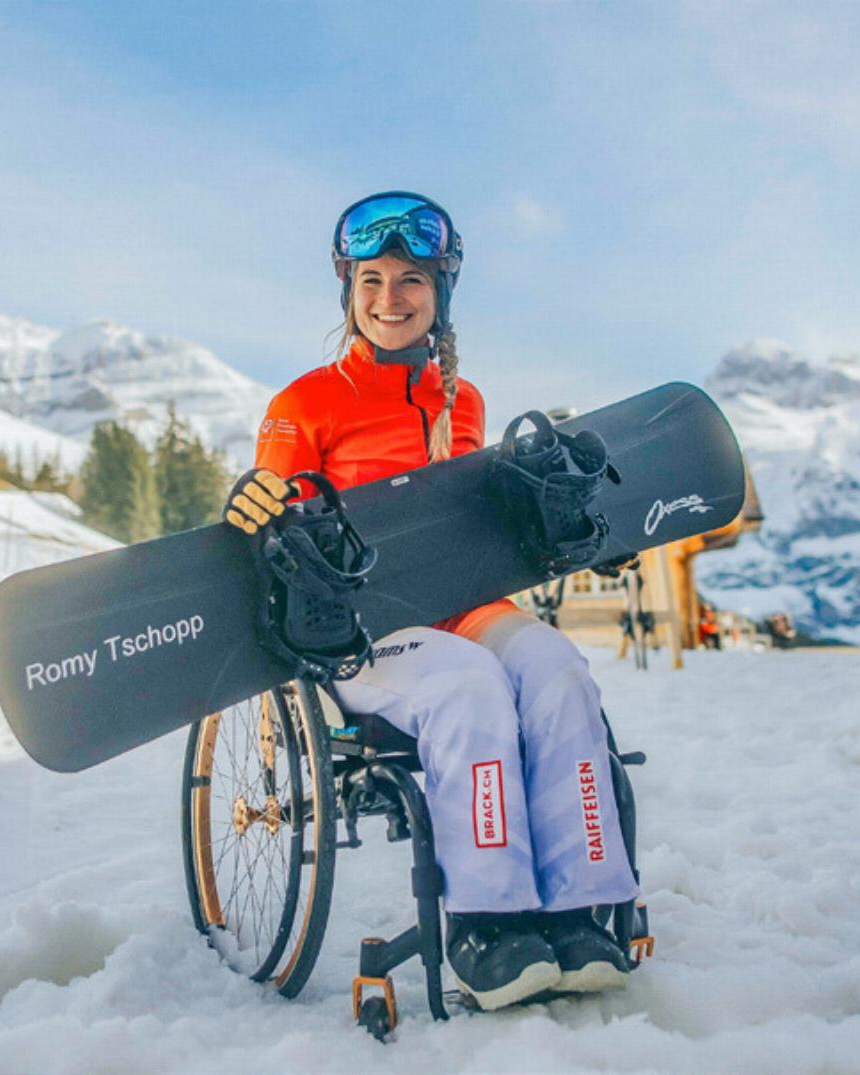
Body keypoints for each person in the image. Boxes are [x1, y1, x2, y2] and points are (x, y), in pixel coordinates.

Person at [222, 192, 637, 1011]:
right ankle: (491, 920)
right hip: (360, 631)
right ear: (348, 291)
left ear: (440, 291)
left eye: (410, 278)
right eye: (370, 279)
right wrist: (259, 501)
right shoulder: (302, 403)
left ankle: (583, 906)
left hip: (462, 605)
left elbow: (466, 521)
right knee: (467, 683)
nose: (389, 298)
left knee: (554, 663)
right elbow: (276, 504)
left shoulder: (464, 401)